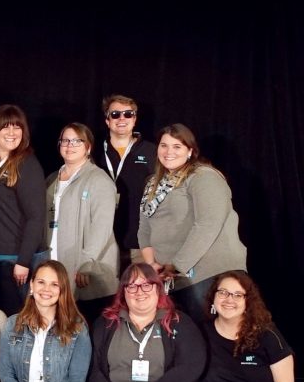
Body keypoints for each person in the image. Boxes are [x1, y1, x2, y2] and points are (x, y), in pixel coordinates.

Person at [138, 123, 247, 324]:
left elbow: (208, 225)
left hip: (209, 273)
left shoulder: (203, 176)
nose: (169, 151)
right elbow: (144, 228)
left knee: (212, 336)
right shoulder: (153, 183)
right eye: (164, 145)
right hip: (174, 277)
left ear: (190, 151)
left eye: (177, 146)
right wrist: (152, 264)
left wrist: (176, 265)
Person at [45, 122, 119, 322]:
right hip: (55, 260)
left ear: (88, 147)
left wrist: (88, 262)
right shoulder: (52, 179)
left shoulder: (98, 179)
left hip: (85, 267)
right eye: (65, 140)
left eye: (77, 141)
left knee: (85, 325)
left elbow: (101, 227)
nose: (70, 145)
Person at [0, 104, 48, 315]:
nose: (11, 133)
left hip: (15, 259)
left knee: (16, 319)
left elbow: (36, 217)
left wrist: (23, 261)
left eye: (17, 127)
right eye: (6, 127)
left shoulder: (26, 164)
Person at [93, 94, 156, 271]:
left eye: (128, 114)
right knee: (107, 296)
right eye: (115, 114)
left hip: (141, 244)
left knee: (140, 294)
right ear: (107, 120)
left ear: (134, 119)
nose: (122, 118)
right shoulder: (93, 151)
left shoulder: (153, 152)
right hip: (102, 242)